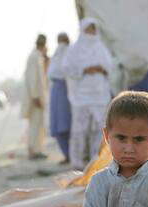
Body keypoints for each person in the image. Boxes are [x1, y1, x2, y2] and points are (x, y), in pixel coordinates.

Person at [63, 17, 113, 170]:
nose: (91, 33)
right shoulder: (74, 49)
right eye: (88, 29)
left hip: (99, 94)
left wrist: (101, 69)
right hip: (81, 96)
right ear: (83, 30)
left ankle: (95, 161)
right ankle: (77, 162)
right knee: (79, 129)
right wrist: (85, 70)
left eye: (93, 29)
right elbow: (66, 68)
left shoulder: (101, 48)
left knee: (99, 129)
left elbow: (110, 68)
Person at [21, 34, 49, 160]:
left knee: (38, 125)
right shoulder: (34, 57)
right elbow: (33, 79)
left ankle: (37, 149)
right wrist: (36, 97)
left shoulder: (38, 56)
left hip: (37, 97)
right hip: (35, 98)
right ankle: (33, 151)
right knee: (35, 125)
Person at [48, 32, 72, 163]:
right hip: (56, 90)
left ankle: (71, 155)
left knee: (66, 124)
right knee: (57, 124)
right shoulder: (57, 54)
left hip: (66, 89)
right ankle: (66, 154)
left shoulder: (70, 52)